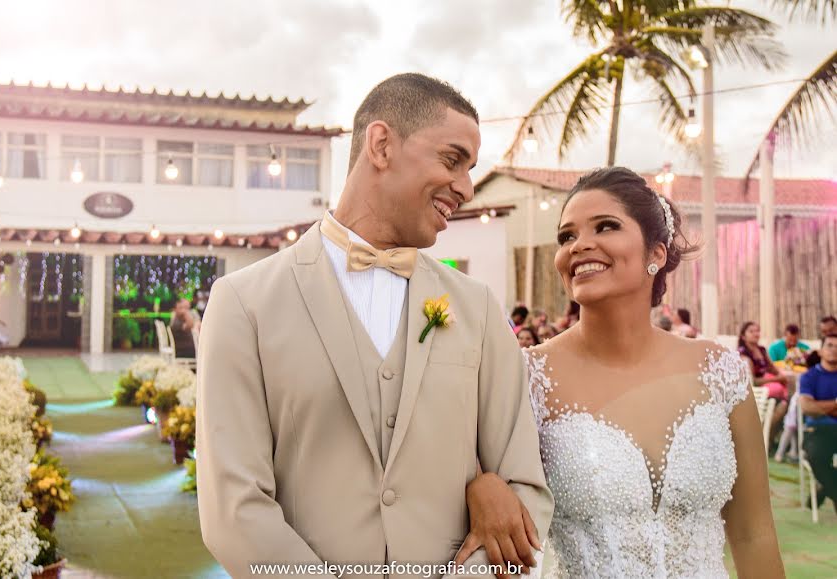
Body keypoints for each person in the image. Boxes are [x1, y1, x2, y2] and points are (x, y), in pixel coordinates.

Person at [197, 73, 553, 578]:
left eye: (470, 170)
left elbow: (525, 488)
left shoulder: (476, 308)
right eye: (452, 160)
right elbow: (233, 509)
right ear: (381, 145)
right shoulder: (244, 303)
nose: (467, 188)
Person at [500, 167, 782, 577]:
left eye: (606, 226)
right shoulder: (527, 377)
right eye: (567, 235)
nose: (580, 246)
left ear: (657, 254)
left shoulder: (720, 372)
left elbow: (754, 532)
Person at [798, 333, 837, 512]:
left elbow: (814, 407)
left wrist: (820, 406)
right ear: (820, 351)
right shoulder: (809, 376)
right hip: (818, 430)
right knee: (816, 457)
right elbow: (807, 408)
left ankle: (826, 488)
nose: (834, 349)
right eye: (829, 345)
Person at [738, 321, 791, 442]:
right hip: (755, 392)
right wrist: (777, 379)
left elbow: (772, 367)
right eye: (751, 331)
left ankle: (768, 438)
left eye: (757, 331)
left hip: (768, 388)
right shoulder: (743, 354)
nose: (756, 334)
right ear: (743, 336)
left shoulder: (761, 350)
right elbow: (752, 381)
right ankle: (762, 437)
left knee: (785, 401)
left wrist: (781, 376)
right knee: (782, 403)